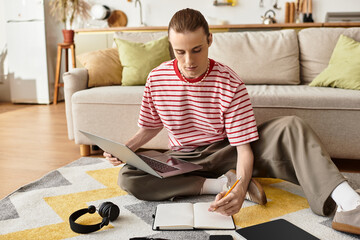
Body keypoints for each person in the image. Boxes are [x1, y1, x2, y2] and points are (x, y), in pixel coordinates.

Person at [104, 8, 360, 235]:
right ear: (171, 46)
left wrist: (240, 187)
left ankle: (350, 204)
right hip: (183, 158)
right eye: (180, 52)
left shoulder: (229, 82)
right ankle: (220, 183)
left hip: (225, 151)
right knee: (128, 177)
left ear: (209, 40)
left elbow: (243, 148)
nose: (189, 61)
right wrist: (126, 148)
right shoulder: (156, 78)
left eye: (196, 50)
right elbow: (150, 126)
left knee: (291, 126)